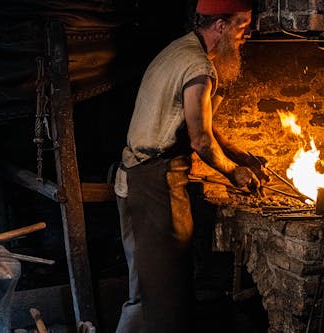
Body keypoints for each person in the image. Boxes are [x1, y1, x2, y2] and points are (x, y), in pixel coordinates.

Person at [114, 0, 269, 332]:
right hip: (156, 184)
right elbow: (200, 140)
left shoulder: (178, 49)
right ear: (220, 25)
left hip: (132, 176)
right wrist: (234, 172)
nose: (245, 36)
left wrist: (240, 154)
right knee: (168, 292)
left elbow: (203, 126)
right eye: (241, 26)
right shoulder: (199, 68)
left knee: (144, 283)